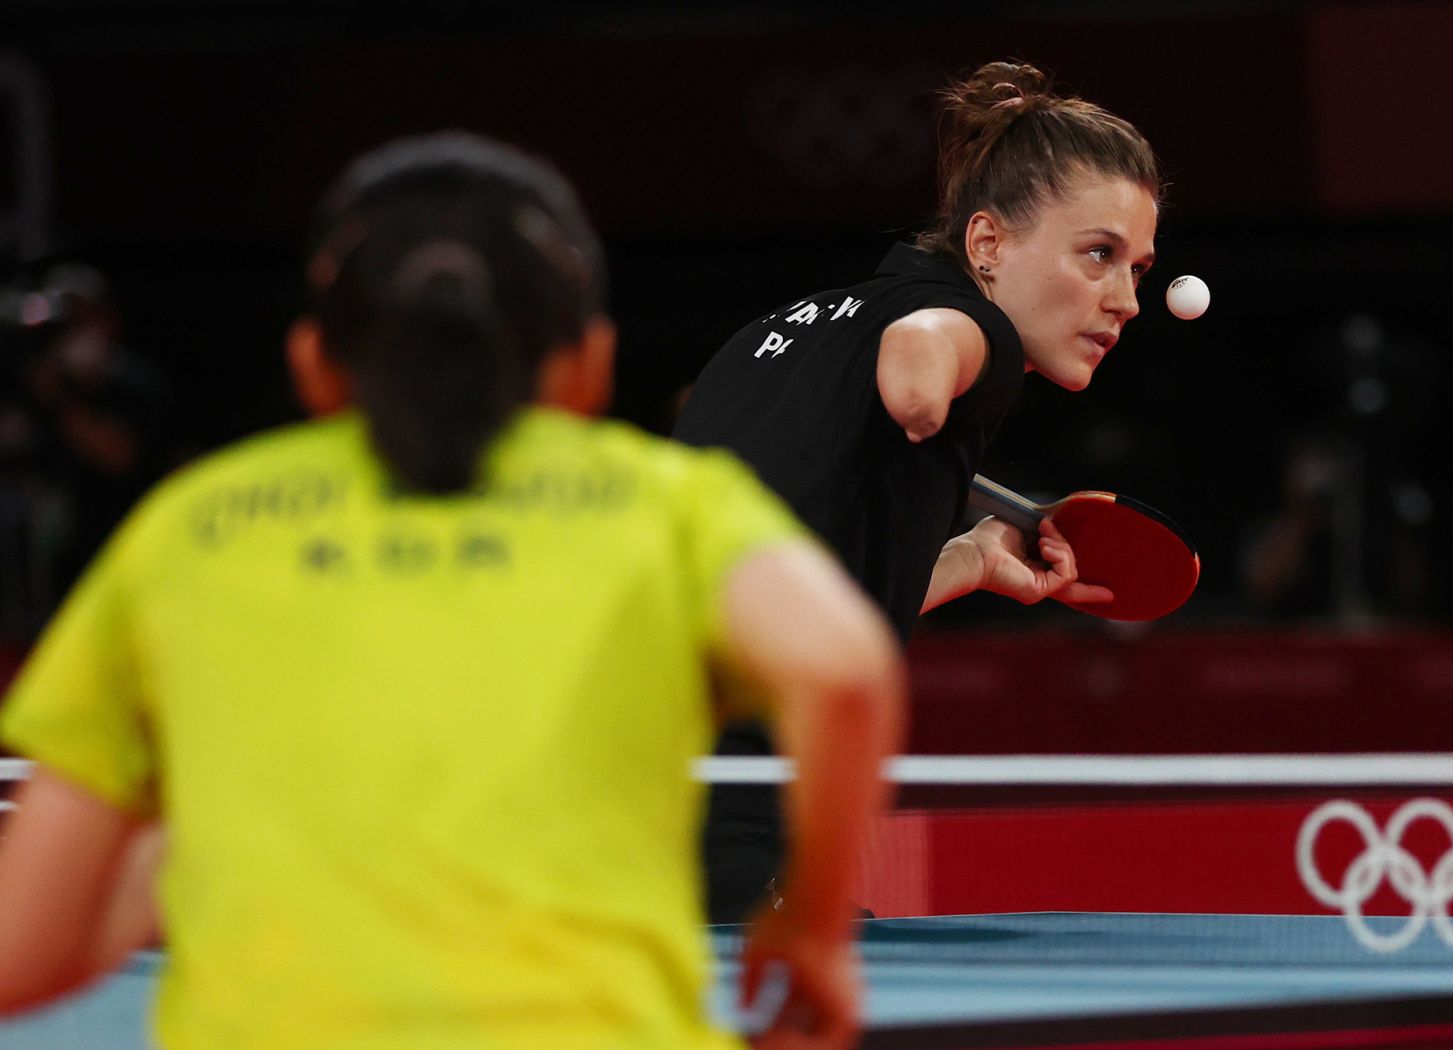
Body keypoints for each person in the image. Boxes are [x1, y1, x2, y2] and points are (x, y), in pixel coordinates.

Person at [0, 131, 904, 1050]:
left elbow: (21, 954)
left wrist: (177, 856)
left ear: (315, 365)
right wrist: (809, 930)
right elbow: (842, 669)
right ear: (590, 364)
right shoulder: (671, 505)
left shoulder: (190, 531)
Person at [674, 60, 1163, 922]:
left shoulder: (774, 337)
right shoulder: (974, 334)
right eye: (1098, 255)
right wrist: (927, 380)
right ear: (987, 245)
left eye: (1137, 267)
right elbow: (928, 342)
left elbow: (792, 591)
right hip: (732, 807)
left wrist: (970, 560)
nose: (1124, 298)